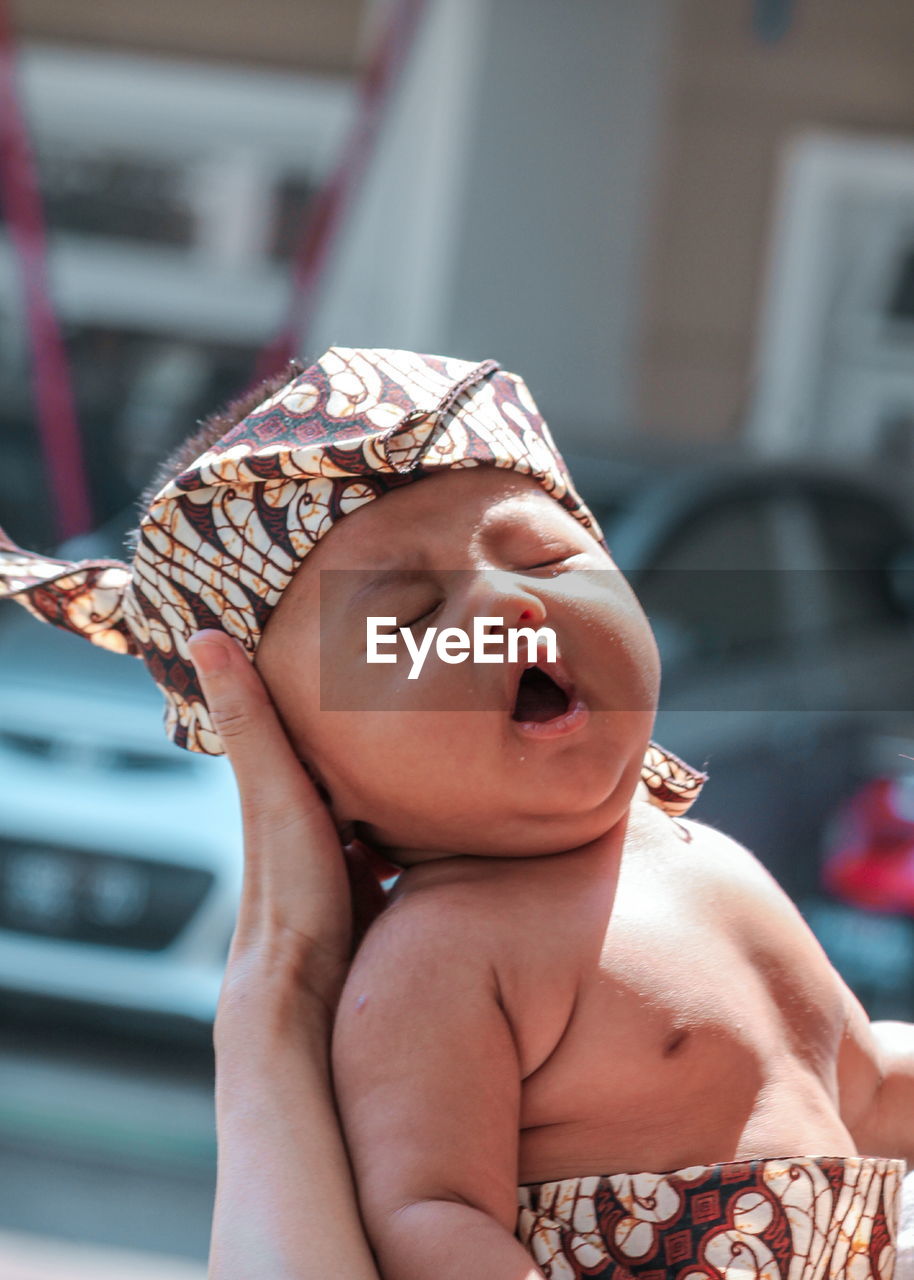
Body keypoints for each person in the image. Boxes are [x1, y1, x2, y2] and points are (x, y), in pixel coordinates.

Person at [1, 348, 911, 1280]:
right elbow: (429, 1212)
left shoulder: (713, 861)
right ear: (305, 768)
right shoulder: (441, 955)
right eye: (413, 617)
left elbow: (865, 1090)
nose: (508, 604)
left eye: (546, 555)